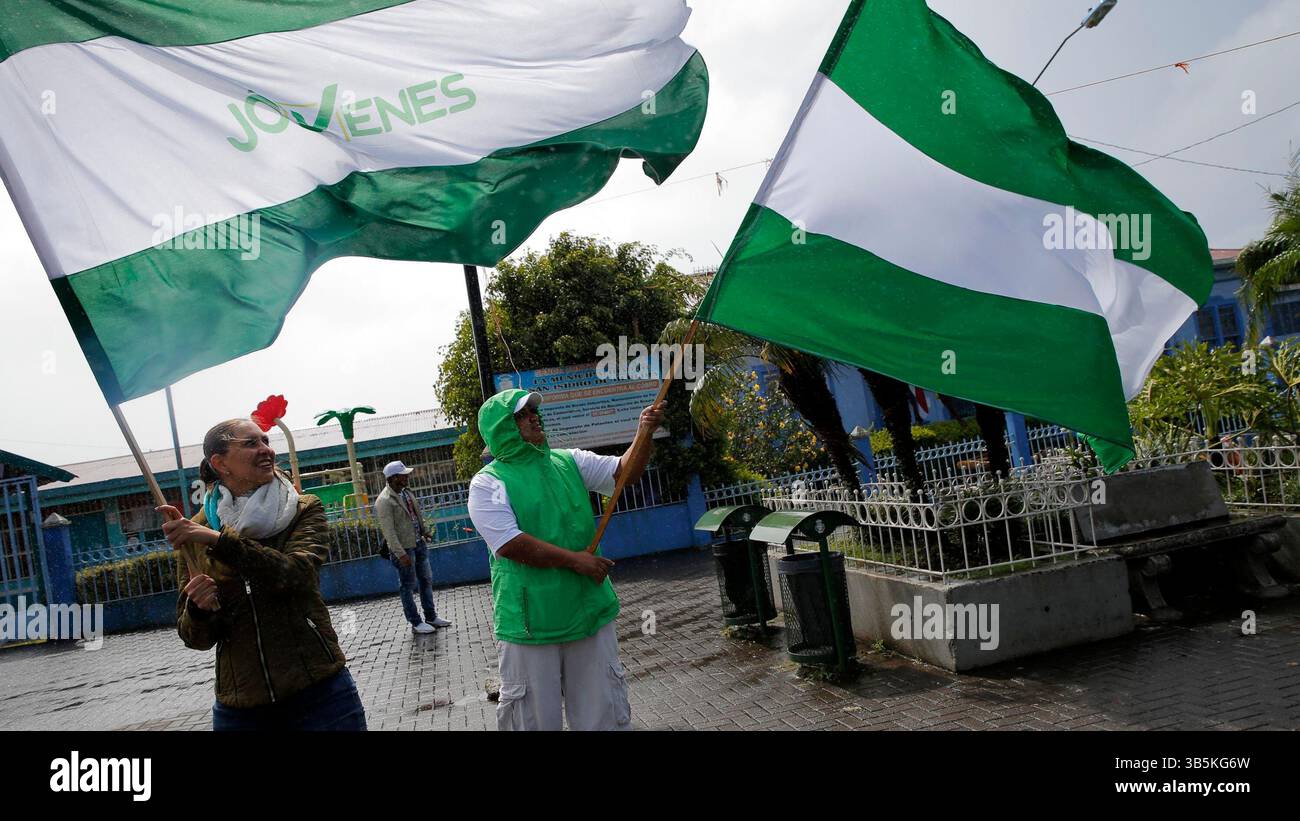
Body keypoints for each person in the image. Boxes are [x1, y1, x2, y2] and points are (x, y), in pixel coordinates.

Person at [467, 388, 663, 731]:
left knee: (602, 717)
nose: (533, 417)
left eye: (533, 411)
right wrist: (576, 561)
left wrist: (643, 432)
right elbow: (509, 543)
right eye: (523, 414)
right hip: (531, 623)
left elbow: (623, 474)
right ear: (503, 427)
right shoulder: (488, 483)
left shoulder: (567, 461)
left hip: (588, 612)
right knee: (533, 722)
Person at [164, 418, 367, 731]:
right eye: (250, 444)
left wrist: (221, 542)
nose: (266, 450)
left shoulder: (301, 508)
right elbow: (195, 638)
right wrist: (198, 609)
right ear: (220, 463)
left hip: (320, 695)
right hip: (242, 710)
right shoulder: (195, 531)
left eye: (266, 441)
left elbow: (295, 574)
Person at [374, 460, 452, 634]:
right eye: (403, 475)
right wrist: (400, 553)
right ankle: (415, 622)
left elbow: (415, 516)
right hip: (404, 549)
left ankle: (431, 617)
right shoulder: (384, 500)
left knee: (426, 581)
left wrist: (424, 532)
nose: (407, 477)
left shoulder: (407, 493)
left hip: (418, 544)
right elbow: (389, 531)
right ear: (393, 478)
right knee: (407, 586)